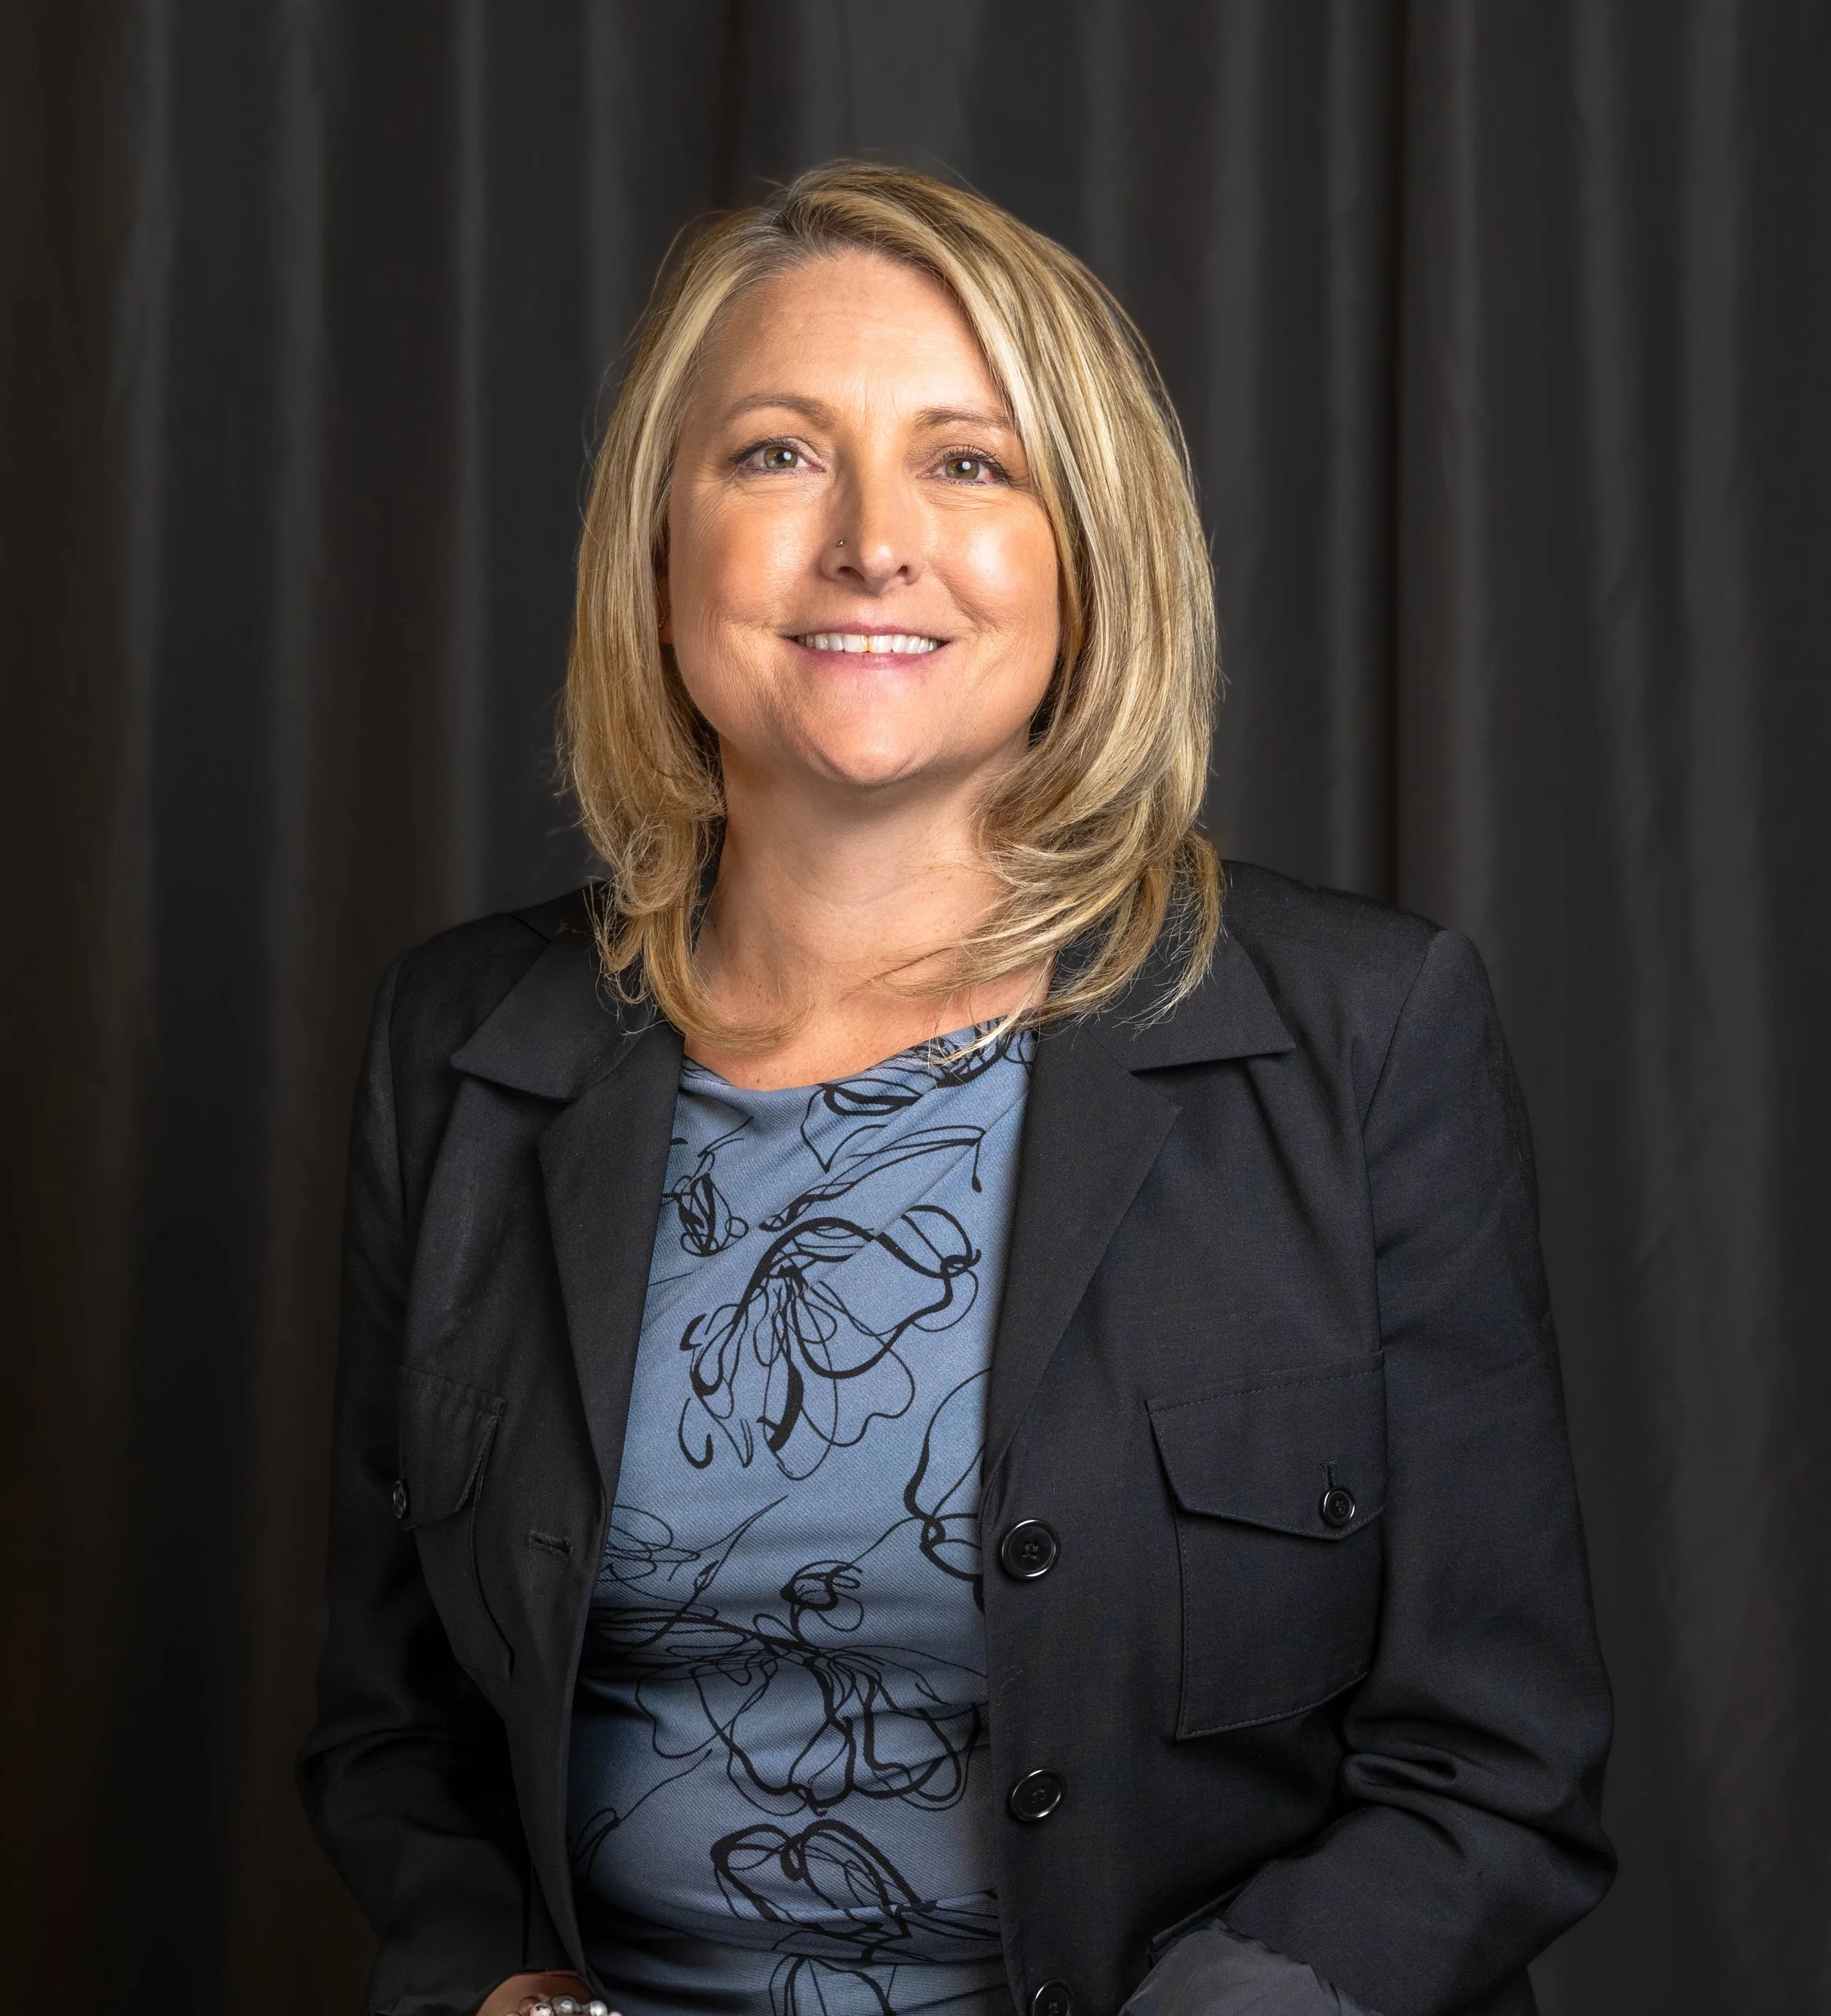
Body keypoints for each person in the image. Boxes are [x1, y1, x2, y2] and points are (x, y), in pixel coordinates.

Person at [300, 162, 1612, 2016]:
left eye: (968, 463)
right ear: (657, 545)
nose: (867, 540)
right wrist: (488, 1990)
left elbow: (1497, 1764)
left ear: (1087, 551)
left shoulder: (1361, 1033)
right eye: (773, 454)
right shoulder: (462, 1045)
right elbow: (391, 1737)